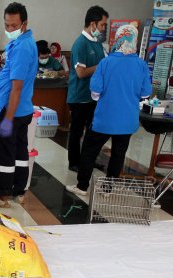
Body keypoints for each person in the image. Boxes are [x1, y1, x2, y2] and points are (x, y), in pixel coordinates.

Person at [66, 25, 151, 196]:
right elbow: (146, 93)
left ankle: (82, 186)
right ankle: (108, 189)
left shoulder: (106, 62)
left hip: (104, 119)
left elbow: (95, 90)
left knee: (90, 151)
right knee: (118, 154)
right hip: (128, 121)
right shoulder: (141, 65)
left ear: (118, 39)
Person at [0, 2, 37, 208]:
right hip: (23, 109)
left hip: (11, 110)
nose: (10, 29)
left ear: (24, 23)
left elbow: (17, 88)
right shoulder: (24, 42)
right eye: (7, 25)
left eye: (14, 25)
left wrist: (8, 119)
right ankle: (19, 190)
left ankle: (2, 195)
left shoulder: (22, 47)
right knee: (20, 151)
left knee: (3, 152)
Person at [66, 5, 109, 173]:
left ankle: (87, 160)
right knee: (76, 132)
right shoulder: (80, 44)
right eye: (102, 25)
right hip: (80, 97)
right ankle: (74, 162)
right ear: (93, 24)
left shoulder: (97, 44)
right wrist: (100, 66)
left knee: (93, 132)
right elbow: (81, 72)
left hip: (94, 97)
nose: (104, 28)